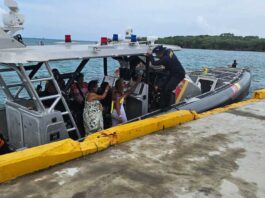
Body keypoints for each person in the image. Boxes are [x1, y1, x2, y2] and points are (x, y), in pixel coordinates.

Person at [148, 45, 186, 110]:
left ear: (160, 52)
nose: (157, 56)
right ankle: (162, 105)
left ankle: (167, 107)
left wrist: (150, 55)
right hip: (172, 73)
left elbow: (154, 63)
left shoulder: (165, 59)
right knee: (163, 88)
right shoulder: (169, 51)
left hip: (178, 74)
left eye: (157, 54)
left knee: (168, 89)